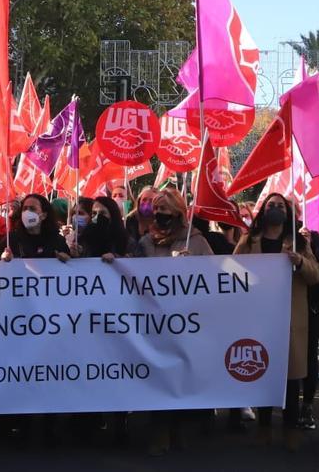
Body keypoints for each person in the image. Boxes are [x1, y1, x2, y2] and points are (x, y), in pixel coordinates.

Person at [234, 194, 319, 451]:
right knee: (262, 371)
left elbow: (317, 276)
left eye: (280, 206)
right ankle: (263, 426)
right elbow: (229, 269)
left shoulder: (298, 243)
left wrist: (301, 262)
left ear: (288, 213)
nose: (275, 209)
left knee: (291, 377)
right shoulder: (249, 241)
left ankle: (291, 428)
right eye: (271, 206)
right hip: (260, 317)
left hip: (290, 318)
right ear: (263, 211)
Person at [133, 188, 212, 456]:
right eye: (156, 210)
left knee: (180, 377)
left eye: (165, 210)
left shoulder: (196, 241)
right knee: (158, 377)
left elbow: (216, 275)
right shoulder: (146, 242)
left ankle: (179, 431)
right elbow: (133, 274)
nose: (159, 215)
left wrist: (194, 266)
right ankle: (160, 430)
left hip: (186, 323)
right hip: (154, 323)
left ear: (178, 213)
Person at [4, 194, 71, 262]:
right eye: (25, 209)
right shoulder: (11, 240)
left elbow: (69, 264)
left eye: (32, 209)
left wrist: (65, 258)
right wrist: (4, 259)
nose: (27, 212)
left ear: (44, 215)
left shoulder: (57, 241)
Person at [76, 196, 133, 261]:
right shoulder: (84, 239)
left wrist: (117, 258)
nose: (97, 217)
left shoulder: (126, 240)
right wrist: (76, 254)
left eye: (102, 213)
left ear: (112, 215)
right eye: (94, 213)